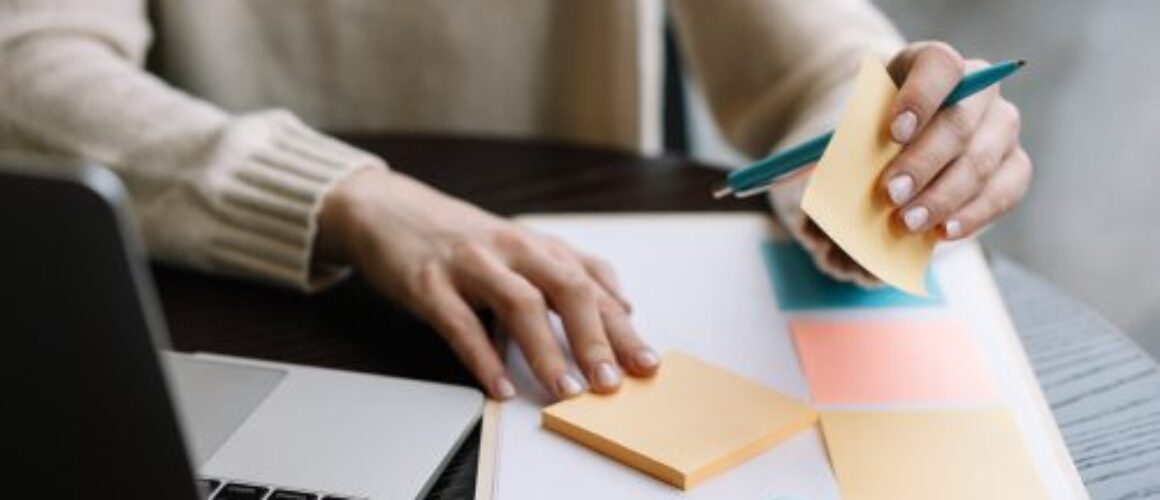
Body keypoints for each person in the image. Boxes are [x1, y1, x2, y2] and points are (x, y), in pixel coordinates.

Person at [0, 1, 1030, 401]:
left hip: (564, 337)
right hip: (232, 308)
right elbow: (27, 65)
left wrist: (883, 140)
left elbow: (806, 54)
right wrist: (348, 194)